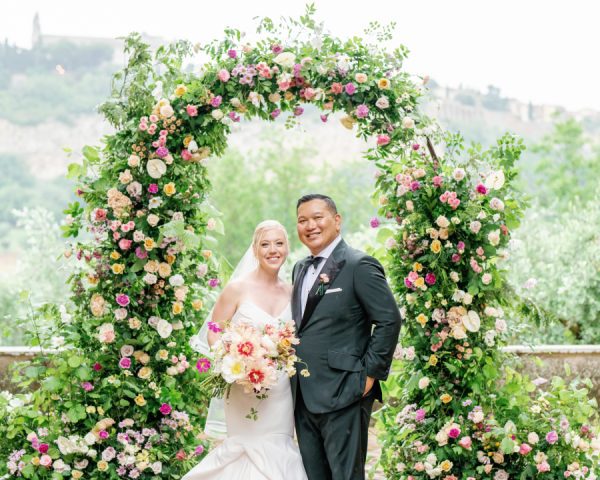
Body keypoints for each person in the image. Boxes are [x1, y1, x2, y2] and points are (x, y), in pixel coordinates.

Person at [184, 220, 307, 480]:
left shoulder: (292, 292)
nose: (273, 250)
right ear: (254, 249)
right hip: (242, 386)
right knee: (244, 447)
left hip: (280, 388)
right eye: (265, 244)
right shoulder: (237, 288)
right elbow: (214, 330)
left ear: (287, 248)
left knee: (278, 446)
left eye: (279, 243)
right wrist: (232, 360)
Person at [291, 194, 401, 480]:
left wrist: (367, 378)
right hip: (303, 396)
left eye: (318, 217)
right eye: (303, 220)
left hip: (345, 392)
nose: (310, 225)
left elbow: (389, 320)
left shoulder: (359, 265)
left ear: (336, 221)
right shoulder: (299, 269)